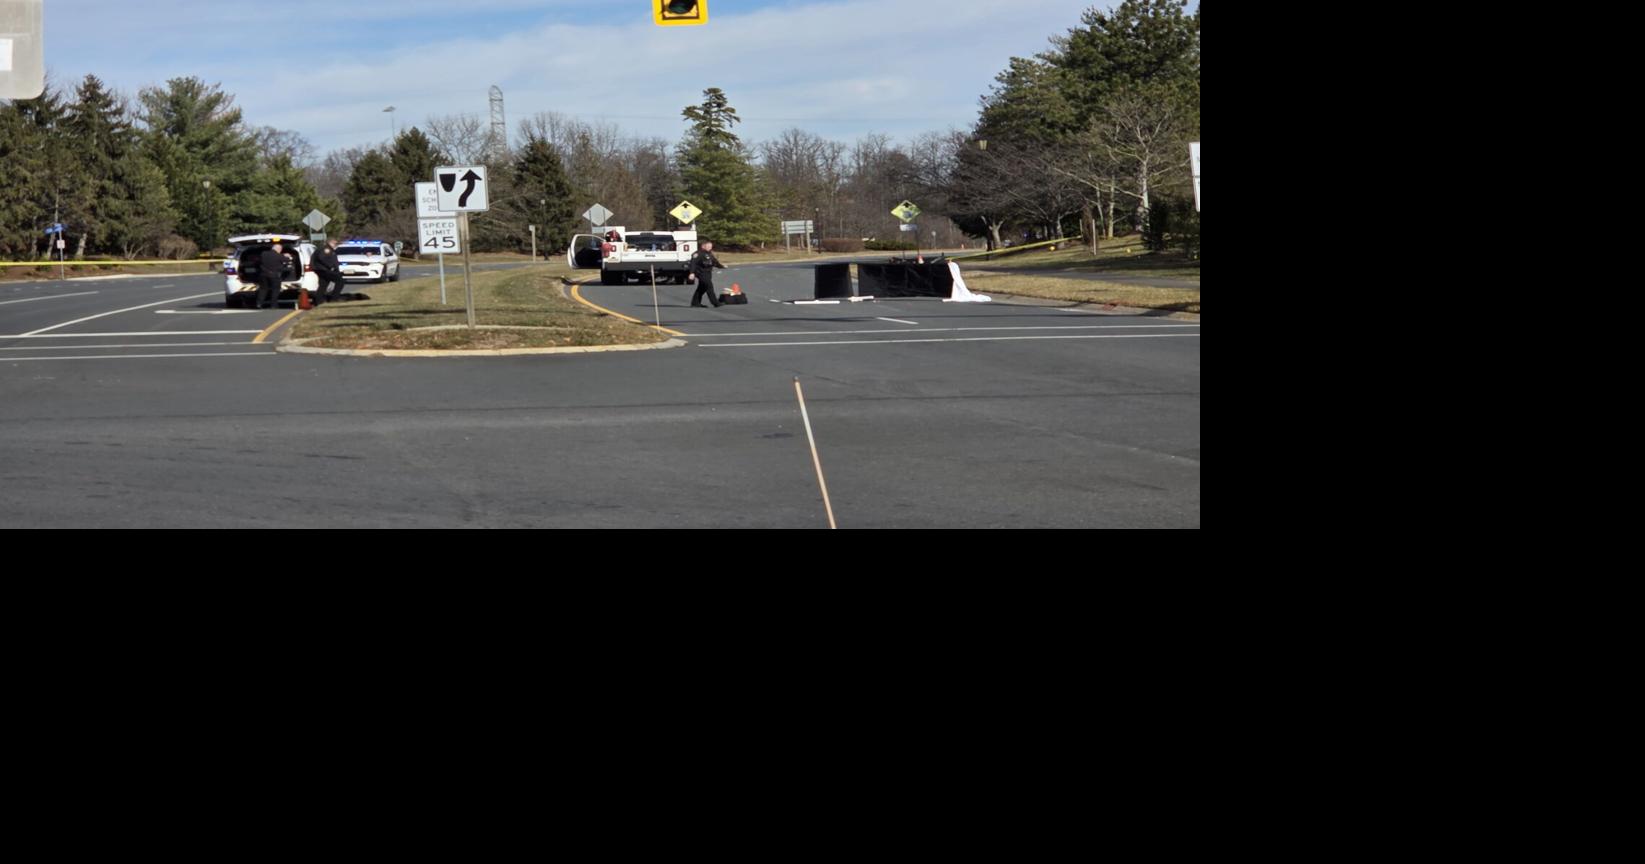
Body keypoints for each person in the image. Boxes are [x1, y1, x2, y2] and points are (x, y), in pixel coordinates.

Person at [688, 240, 727, 308]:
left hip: (708, 273)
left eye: (711, 246)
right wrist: (692, 273)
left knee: (702, 288)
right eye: (708, 246)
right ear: (703, 246)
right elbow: (693, 263)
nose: (710, 248)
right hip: (701, 273)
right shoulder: (698, 254)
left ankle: (695, 303)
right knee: (709, 286)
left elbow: (715, 262)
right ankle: (715, 303)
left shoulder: (709, 253)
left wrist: (722, 266)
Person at [256, 240, 290, 309]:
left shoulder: (263, 253)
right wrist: (287, 256)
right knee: (275, 290)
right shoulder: (279, 256)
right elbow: (287, 261)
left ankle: (259, 303)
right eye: (280, 250)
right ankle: (273, 305)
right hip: (274, 275)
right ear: (279, 249)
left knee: (263, 289)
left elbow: (258, 261)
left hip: (263, 275)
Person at [310, 238, 345, 305]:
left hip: (321, 270)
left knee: (323, 285)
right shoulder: (326, 249)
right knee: (340, 281)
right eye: (335, 243)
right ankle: (334, 298)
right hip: (324, 270)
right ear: (330, 243)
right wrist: (331, 266)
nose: (336, 245)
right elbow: (322, 258)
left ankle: (319, 301)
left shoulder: (327, 249)